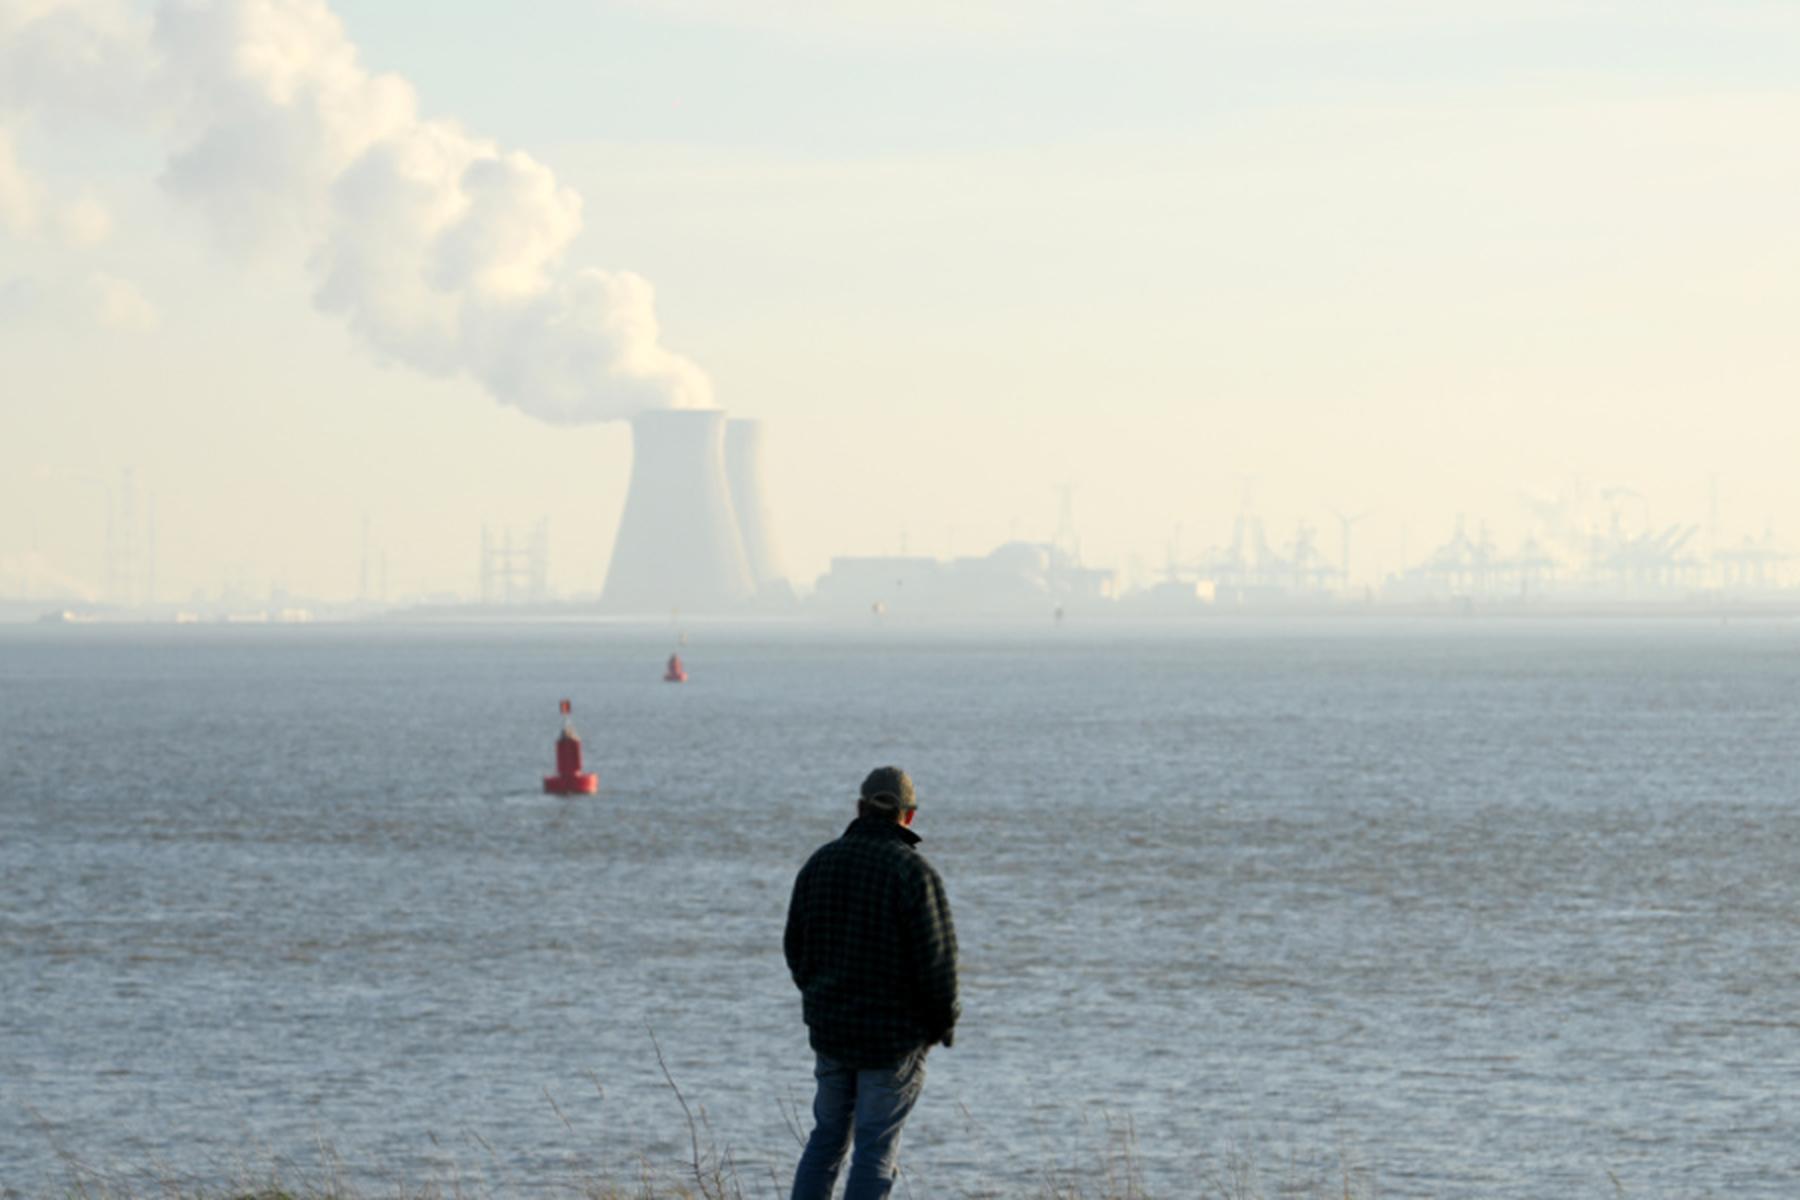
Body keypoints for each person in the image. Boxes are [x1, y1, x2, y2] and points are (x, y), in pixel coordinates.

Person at [784, 766, 960, 1200]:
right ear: (909, 816)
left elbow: (795, 947)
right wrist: (941, 1026)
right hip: (892, 1041)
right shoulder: (913, 872)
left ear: (860, 807)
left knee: (826, 1140)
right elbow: (937, 964)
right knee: (875, 1147)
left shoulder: (820, 864)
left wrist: (819, 998)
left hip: (831, 1031)